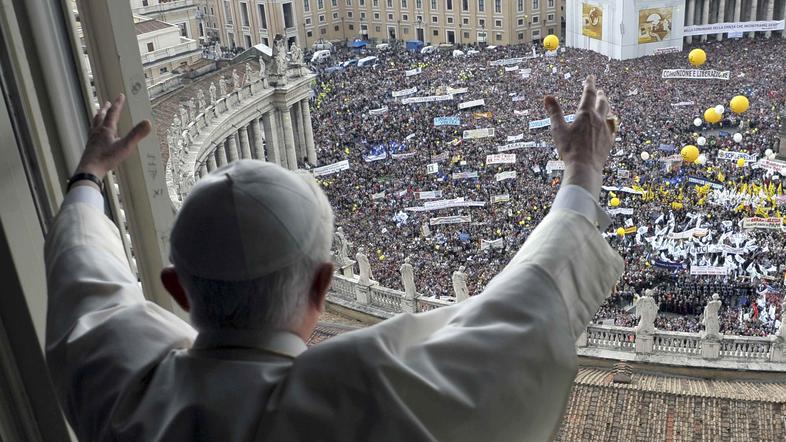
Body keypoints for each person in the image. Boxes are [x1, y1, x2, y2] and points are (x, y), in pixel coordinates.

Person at [45, 77, 623, 441]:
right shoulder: (371, 396)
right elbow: (524, 311)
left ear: (176, 288)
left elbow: (83, 272)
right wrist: (581, 170)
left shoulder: (120, 391)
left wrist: (88, 174)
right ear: (324, 284)